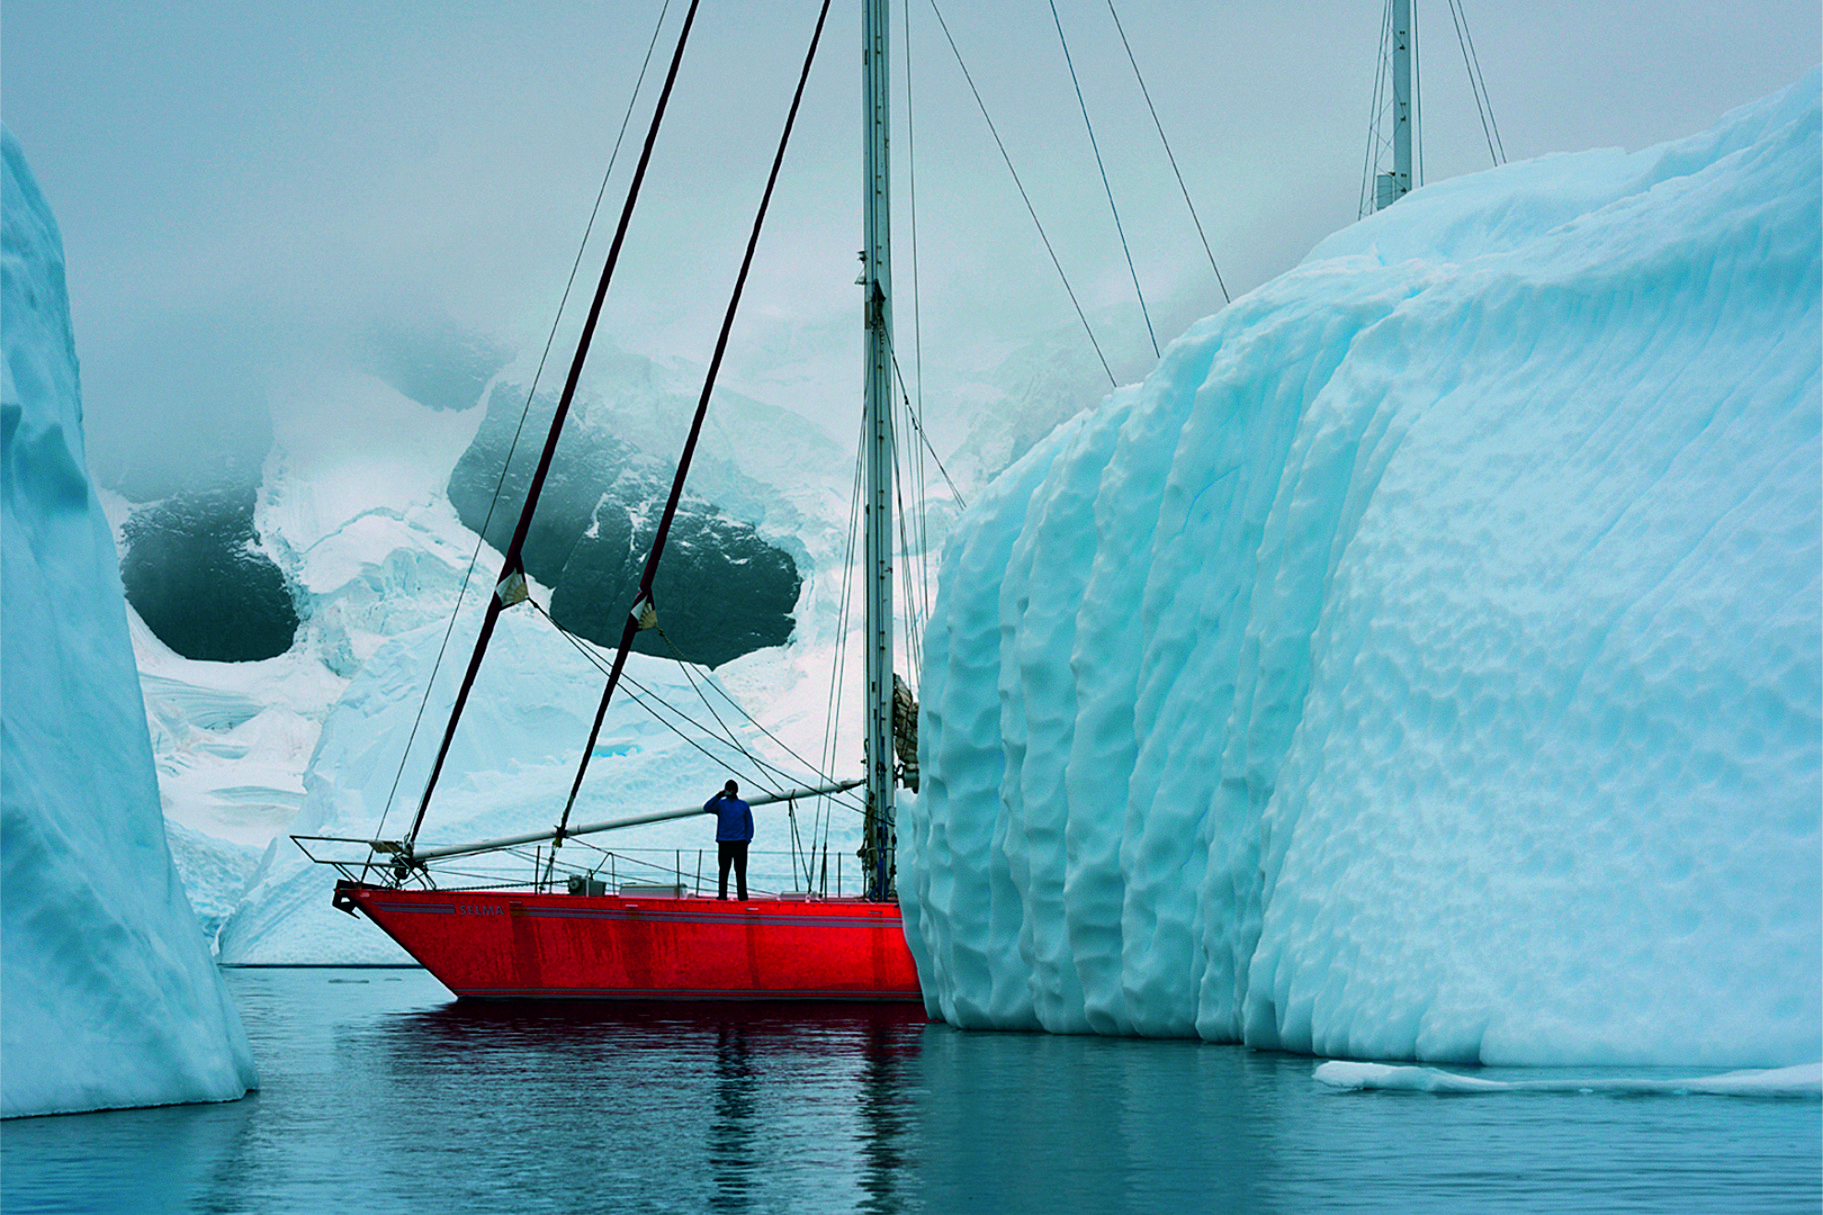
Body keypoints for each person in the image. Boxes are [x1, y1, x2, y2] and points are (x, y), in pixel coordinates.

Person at [704, 779, 753, 900]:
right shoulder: (721, 804)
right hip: (725, 842)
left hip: (738, 842)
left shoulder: (743, 805)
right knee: (724, 871)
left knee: (739, 872)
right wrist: (718, 796)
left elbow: (749, 824)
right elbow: (707, 807)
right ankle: (723, 896)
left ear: (736, 790)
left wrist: (747, 839)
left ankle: (742, 896)